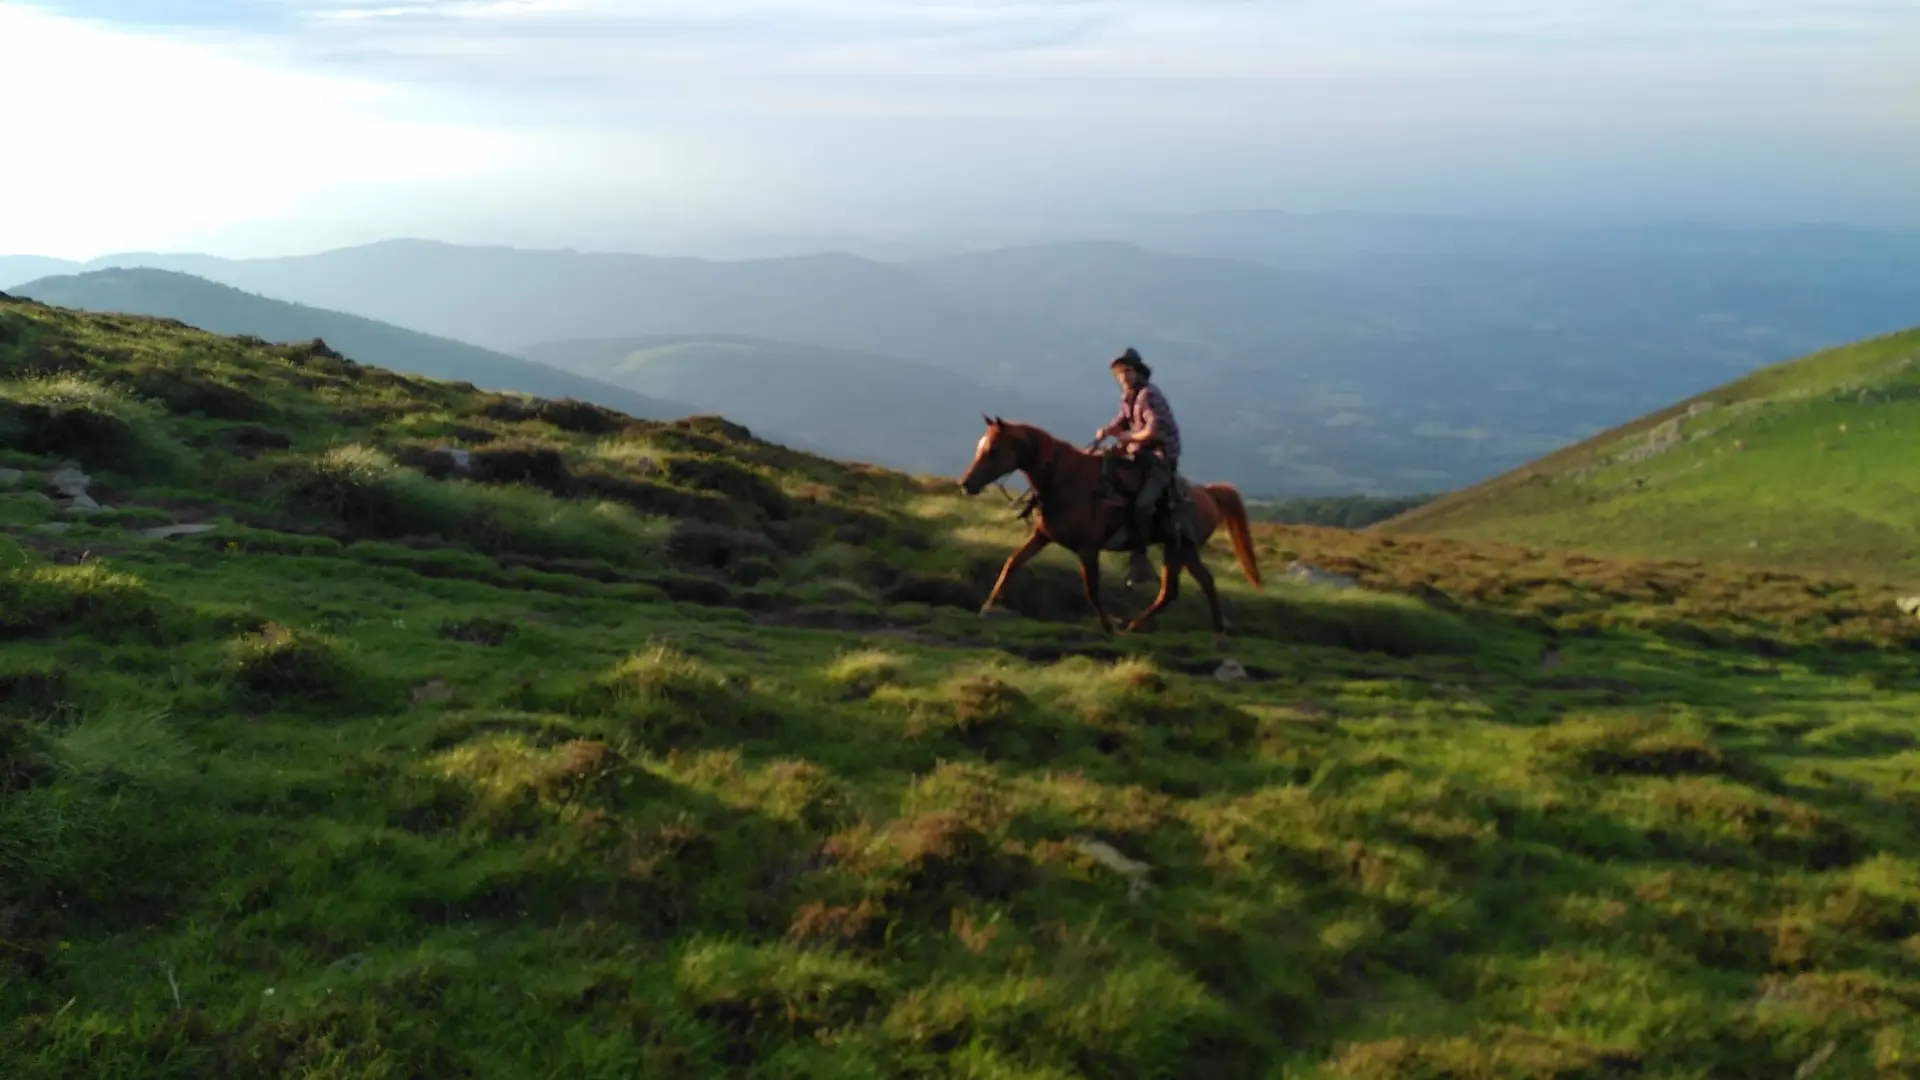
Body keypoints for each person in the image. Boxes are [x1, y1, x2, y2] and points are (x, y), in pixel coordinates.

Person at [1094, 347, 1182, 587]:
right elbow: (1122, 420)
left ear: (1138, 372)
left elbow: (1152, 431)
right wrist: (1108, 430)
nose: (1124, 377)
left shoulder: (1149, 396)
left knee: (1144, 503)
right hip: (1140, 453)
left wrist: (1126, 438)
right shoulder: (1128, 396)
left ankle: (1140, 556)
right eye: (1120, 372)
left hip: (1160, 457)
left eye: (1128, 371)